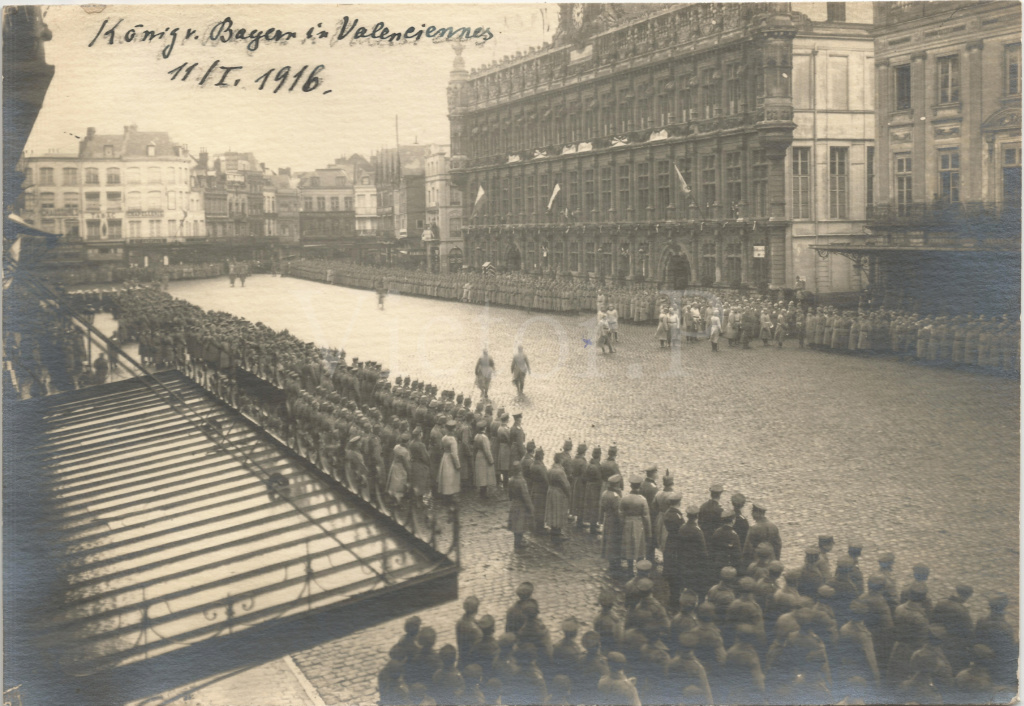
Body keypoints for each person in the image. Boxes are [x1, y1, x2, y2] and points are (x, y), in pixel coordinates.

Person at [619, 475, 652, 576]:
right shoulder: (642, 500)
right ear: (640, 486)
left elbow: (621, 514)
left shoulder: (625, 498)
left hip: (627, 523)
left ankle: (629, 568)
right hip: (639, 524)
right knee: (640, 546)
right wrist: (649, 532)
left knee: (629, 545)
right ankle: (640, 569)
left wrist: (622, 525)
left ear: (631, 485)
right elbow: (646, 517)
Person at [544, 453, 572, 542]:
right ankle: (557, 534)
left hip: (551, 491)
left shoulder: (550, 469)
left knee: (553, 513)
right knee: (558, 513)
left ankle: (554, 532)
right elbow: (566, 485)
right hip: (559, 493)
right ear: (560, 460)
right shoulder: (560, 471)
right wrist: (568, 494)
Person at [507, 460, 533, 550]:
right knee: (520, 524)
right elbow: (525, 495)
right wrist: (530, 507)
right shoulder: (521, 481)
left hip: (514, 503)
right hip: (521, 505)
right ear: (520, 470)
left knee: (515, 524)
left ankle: (517, 541)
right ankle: (518, 543)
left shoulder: (511, 480)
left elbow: (509, 494)